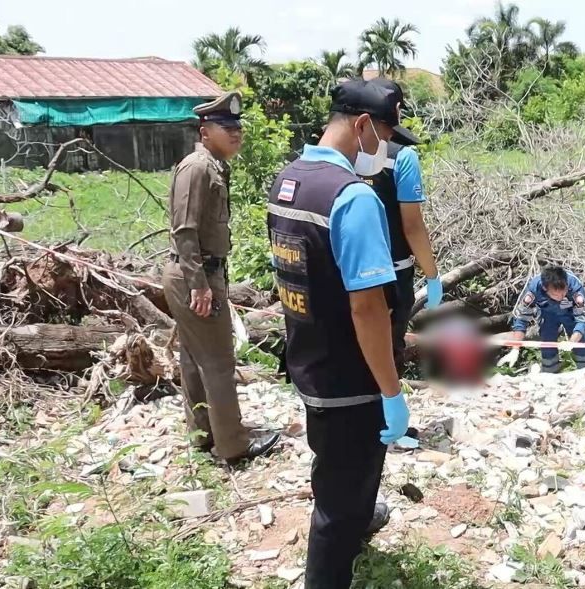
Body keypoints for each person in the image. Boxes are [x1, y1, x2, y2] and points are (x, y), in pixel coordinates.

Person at [265, 79, 411, 589]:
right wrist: (391, 392)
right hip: (350, 378)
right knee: (338, 508)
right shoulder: (354, 198)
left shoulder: (290, 179)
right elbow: (368, 308)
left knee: (335, 469)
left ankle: (358, 520)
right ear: (364, 126)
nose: (385, 151)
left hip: (307, 360)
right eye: (386, 137)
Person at [162, 90, 279, 465]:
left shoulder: (212, 165)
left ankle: (203, 433)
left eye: (237, 127)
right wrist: (199, 283)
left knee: (194, 359)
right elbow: (184, 229)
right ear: (204, 130)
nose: (235, 133)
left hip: (200, 271)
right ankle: (232, 446)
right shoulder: (198, 168)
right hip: (194, 273)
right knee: (218, 362)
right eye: (225, 126)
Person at [359, 79, 442, 373]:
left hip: (347, 271)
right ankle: (385, 414)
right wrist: (432, 275)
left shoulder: (340, 151)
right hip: (392, 272)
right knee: (387, 349)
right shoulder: (402, 156)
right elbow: (412, 226)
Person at [510, 265, 585, 373]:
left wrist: (572, 342)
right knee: (547, 341)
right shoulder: (534, 288)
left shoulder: (575, 287)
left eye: (563, 293)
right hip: (547, 313)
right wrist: (515, 348)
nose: (560, 296)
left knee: (582, 345)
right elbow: (522, 317)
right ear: (545, 289)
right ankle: (550, 373)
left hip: (571, 314)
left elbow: (582, 319)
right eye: (556, 294)